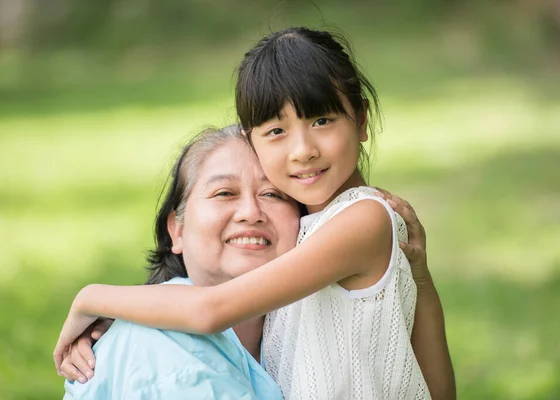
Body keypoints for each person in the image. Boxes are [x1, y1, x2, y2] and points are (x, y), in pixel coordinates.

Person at [55, 27, 455, 399]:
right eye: (277, 131)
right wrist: (420, 283)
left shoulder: (362, 219)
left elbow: (209, 311)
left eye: (322, 120)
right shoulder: (304, 232)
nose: (303, 150)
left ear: (362, 120)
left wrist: (93, 298)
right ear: (253, 140)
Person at [62, 125, 300, 399]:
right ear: (177, 229)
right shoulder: (169, 350)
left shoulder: (292, 335)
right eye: (224, 193)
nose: (250, 212)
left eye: (273, 194)